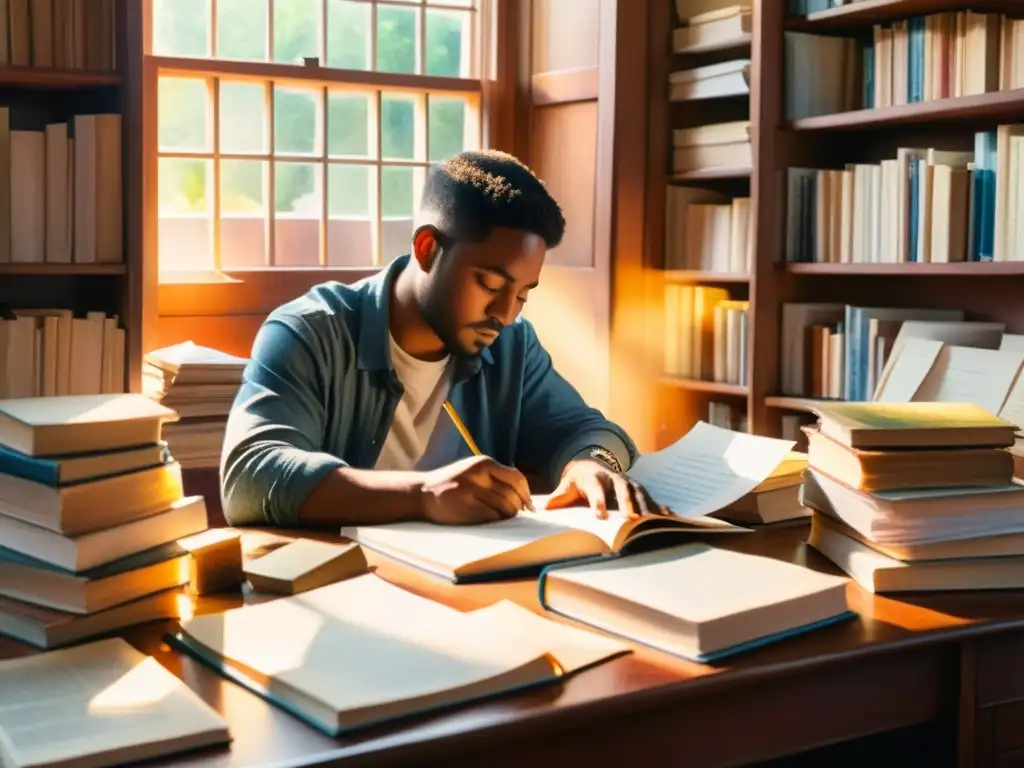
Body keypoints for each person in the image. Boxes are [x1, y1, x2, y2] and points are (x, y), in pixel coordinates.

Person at [220, 149, 659, 528]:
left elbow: (594, 430)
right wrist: (422, 493)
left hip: (468, 592)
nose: (505, 314)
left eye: (523, 294)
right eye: (490, 284)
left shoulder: (510, 346)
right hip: (341, 586)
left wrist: (591, 463)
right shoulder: (310, 333)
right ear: (427, 248)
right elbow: (250, 475)